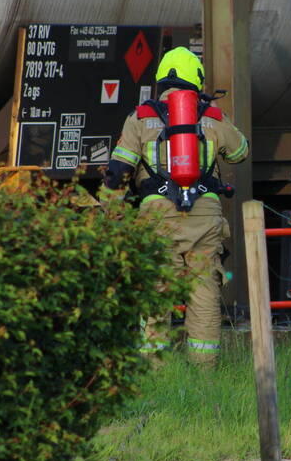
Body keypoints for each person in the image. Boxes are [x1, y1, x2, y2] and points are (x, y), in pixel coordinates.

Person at [101, 46, 249, 368]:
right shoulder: (212, 116)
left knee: (156, 293)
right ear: (195, 79)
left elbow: (118, 172)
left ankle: (154, 369)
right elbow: (240, 153)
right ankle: (204, 371)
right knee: (204, 292)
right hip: (205, 216)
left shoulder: (140, 117)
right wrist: (216, 120)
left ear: (161, 80)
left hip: (158, 217)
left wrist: (109, 213)